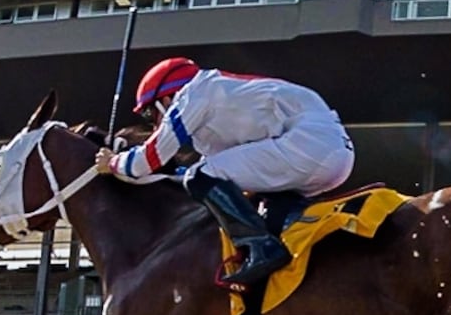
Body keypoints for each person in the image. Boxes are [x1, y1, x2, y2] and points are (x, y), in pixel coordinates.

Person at [94, 57, 356, 289]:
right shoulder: (222, 100)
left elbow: (149, 159)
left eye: (152, 114)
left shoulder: (194, 94)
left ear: (165, 99)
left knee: (201, 176)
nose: (154, 123)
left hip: (307, 146)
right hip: (335, 155)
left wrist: (114, 163)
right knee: (231, 187)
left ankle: (261, 247)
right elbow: (218, 168)